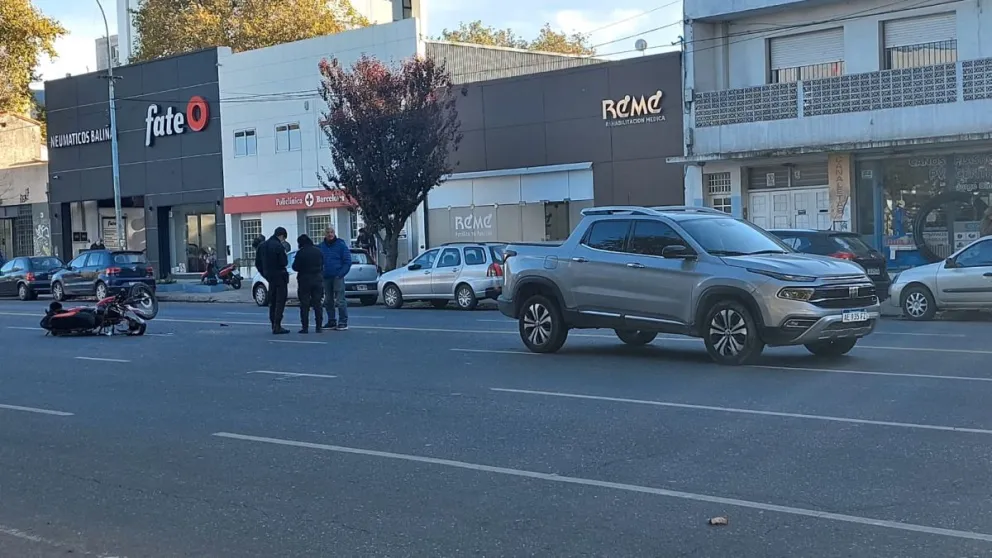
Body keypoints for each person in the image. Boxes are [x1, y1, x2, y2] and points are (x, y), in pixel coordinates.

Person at [256, 227, 290, 334]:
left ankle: (273, 324)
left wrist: (265, 274)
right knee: (280, 301)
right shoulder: (279, 246)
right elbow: (284, 262)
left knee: (273, 301)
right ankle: (277, 325)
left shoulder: (262, 245)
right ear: (281, 236)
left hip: (270, 277)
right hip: (280, 276)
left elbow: (258, 263)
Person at [319, 226, 352, 331]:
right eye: (328, 232)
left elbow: (347, 261)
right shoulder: (321, 247)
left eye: (332, 232)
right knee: (328, 300)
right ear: (324, 234)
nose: (330, 234)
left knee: (340, 300)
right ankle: (331, 320)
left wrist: (341, 274)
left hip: (338, 276)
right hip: (326, 277)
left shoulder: (341, 245)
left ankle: (343, 322)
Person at [292, 234, 324, 334]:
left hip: (304, 280)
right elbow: (322, 264)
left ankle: (305, 327)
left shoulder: (301, 253)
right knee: (317, 304)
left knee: (304, 304)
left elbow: (295, 267)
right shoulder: (318, 251)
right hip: (317, 279)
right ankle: (319, 326)